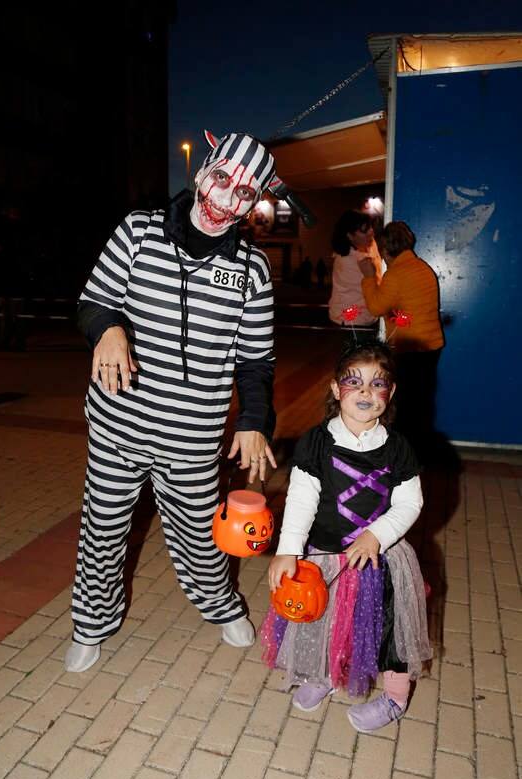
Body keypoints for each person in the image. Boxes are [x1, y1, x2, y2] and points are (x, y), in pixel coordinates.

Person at [64, 130, 282, 673]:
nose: (225, 198)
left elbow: (256, 361)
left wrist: (254, 420)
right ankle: (92, 624)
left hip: (193, 436)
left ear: (253, 203)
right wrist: (108, 328)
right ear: (203, 170)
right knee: (104, 528)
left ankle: (220, 606)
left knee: (200, 536)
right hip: (119, 423)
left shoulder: (252, 272)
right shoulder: (138, 233)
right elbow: (93, 301)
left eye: (243, 192)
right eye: (221, 179)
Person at [259, 340, 432, 732]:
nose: (367, 392)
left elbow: (409, 504)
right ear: (337, 390)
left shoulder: (398, 448)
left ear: (391, 393)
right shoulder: (315, 443)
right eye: (355, 382)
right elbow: (301, 501)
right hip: (325, 556)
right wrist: (288, 551)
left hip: (381, 560)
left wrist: (377, 534)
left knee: (389, 630)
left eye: (378, 383)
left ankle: (394, 698)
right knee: (322, 620)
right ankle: (325, 674)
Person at [359, 221, 444, 465]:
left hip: (411, 349)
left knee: (406, 406)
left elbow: (376, 307)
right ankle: (420, 454)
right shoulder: (422, 268)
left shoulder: (396, 274)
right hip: (431, 345)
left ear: (385, 251)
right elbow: (409, 312)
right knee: (423, 401)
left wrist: (368, 278)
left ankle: (405, 459)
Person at [328, 210, 382, 345]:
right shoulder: (356, 260)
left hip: (351, 320)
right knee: (359, 363)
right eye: (364, 231)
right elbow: (378, 285)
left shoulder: (348, 254)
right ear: (350, 236)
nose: (370, 233)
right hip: (354, 322)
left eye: (370, 228)